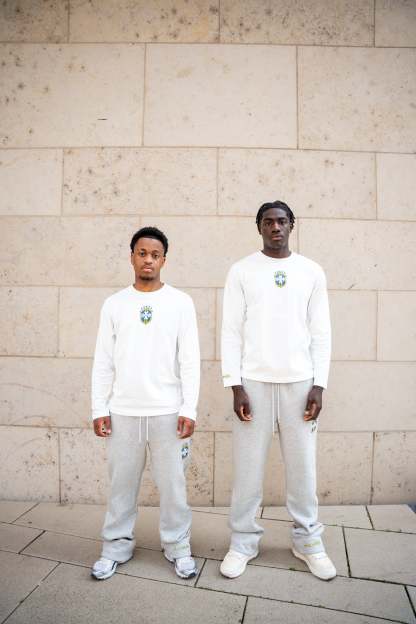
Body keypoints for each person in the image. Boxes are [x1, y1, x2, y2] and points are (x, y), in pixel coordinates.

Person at [220, 200, 336, 581]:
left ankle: (308, 542)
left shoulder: (311, 271)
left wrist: (319, 384)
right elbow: (230, 331)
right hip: (253, 383)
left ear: (291, 225)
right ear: (259, 227)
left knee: (303, 468)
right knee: (247, 469)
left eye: (282, 221)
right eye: (268, 222)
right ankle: (242, 543)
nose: (275, 227)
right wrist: (235, 385)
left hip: (300, 384)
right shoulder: (241, 271)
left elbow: (321, 332)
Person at [91, 226, 200, 581]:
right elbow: (103, 360)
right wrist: (99, 408)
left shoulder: (181, 303)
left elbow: (190, 361)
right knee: (121, 486)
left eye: (155, 255)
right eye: (142, 253)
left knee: (174, 487)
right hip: (123, 411)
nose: (148, 260)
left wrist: (189, 408)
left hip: (168, 412)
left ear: (164, 260)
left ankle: (178, 547)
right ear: (132, 257)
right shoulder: (114, 304)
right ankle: (115, 547)